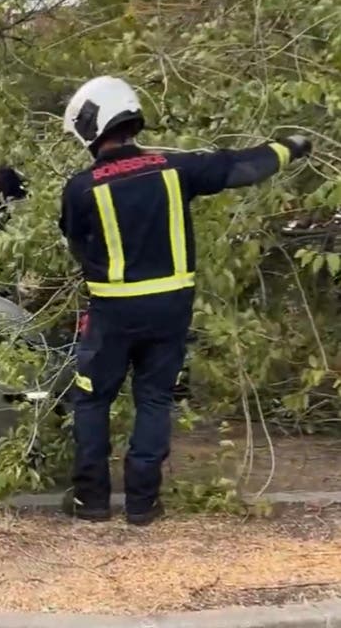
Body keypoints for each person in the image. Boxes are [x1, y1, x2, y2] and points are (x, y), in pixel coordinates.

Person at [58, 75, 312, 526]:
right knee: (154, 399)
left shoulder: (81, 187)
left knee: (93, 402)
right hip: (170, 311)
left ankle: (91, 502)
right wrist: (289, 147)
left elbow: (77, 242)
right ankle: (142, 504)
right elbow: (240, 167)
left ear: (91, 125)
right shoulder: (176, 168)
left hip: (111, 313)